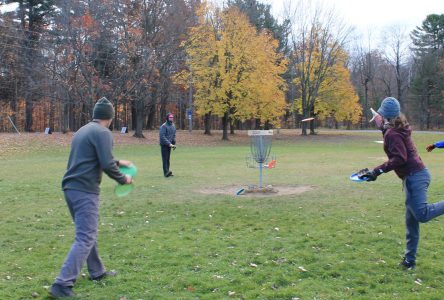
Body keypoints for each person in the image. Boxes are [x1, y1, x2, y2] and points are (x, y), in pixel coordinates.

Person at [50, 97, 133, 298]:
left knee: (87, 232)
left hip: (71, 188)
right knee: (86, 236)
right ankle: (62, 284)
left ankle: (97, 271)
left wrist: (118, 161)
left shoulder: (84, 130)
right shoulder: (103, 133)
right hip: (85, 190)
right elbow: (105, 164)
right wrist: (124, 179)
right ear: (110, 118)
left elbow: (93, 157)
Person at [358, 97, 444, 270]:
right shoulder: (396, 129)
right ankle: (409, 261)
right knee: (411, 222)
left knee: (422, 215)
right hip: (414, 176)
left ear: (384, 115)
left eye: (379, 114)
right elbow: (395, 148)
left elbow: (399, 158)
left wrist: (376, 171)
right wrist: (382, 128)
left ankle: (409, 260)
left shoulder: (392, 133)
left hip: (415, 177)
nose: (377, 117)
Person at [159, 113, 176, 177]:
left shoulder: (173, 126)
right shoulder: (163, 126)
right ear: (167, 118)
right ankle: (166, 172)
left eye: (172, 117)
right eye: (170, 117)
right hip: (164, 145)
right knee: (165, 159)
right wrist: (169, 144)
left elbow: (173, 135)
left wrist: (173, 142)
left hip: (170, 145)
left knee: (168, 159)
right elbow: (162, 137)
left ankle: (168, 171)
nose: (171, 118)